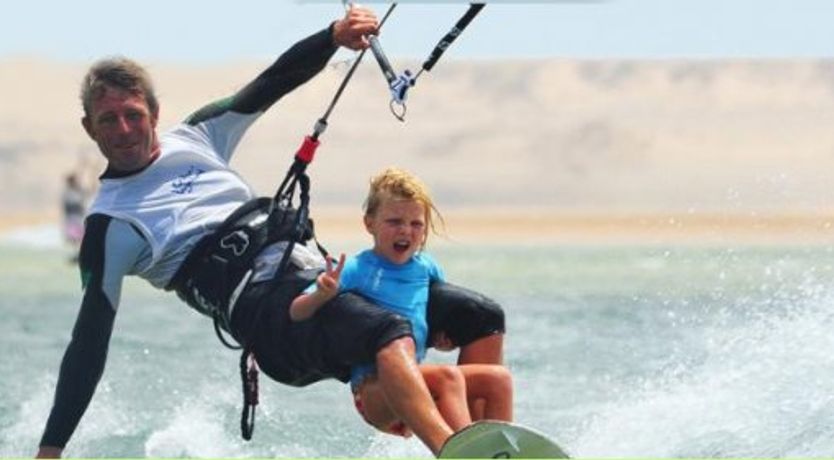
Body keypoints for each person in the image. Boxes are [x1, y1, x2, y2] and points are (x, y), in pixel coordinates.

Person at [36, 6, 506, 458]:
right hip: (270, 317)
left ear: (154, 113)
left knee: (480, 315)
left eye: (133, 114)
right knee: (388, 329)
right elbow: (88, 342)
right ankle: (453, 450)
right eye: (107, 120)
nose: (123, 129)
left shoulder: (197, 135)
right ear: (89, 128)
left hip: (315, 276)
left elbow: (270, 83)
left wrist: (332, 37)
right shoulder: (109, 225)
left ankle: (491, 444)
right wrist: (51, 449)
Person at [289, 167, 513, 437]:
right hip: (374, 390)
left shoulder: (427, 268)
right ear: (369, 223)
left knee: (499, 380)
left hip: (418, 381)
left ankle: (498, 447)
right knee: (449, 378)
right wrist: (321, 295)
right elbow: (296, 311)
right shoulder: (357, 269)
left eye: (416, 224)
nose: (405, 231)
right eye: (394, 222)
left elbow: (426, 314)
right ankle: (467, 450)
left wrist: (442, 341)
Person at [60, 173, 87, 262]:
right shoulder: (68, 193)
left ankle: (80, 253)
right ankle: (77, 253)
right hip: (72, 218)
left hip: (78, 218)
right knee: (74, 238)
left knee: (80, 237)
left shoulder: (77, 191)